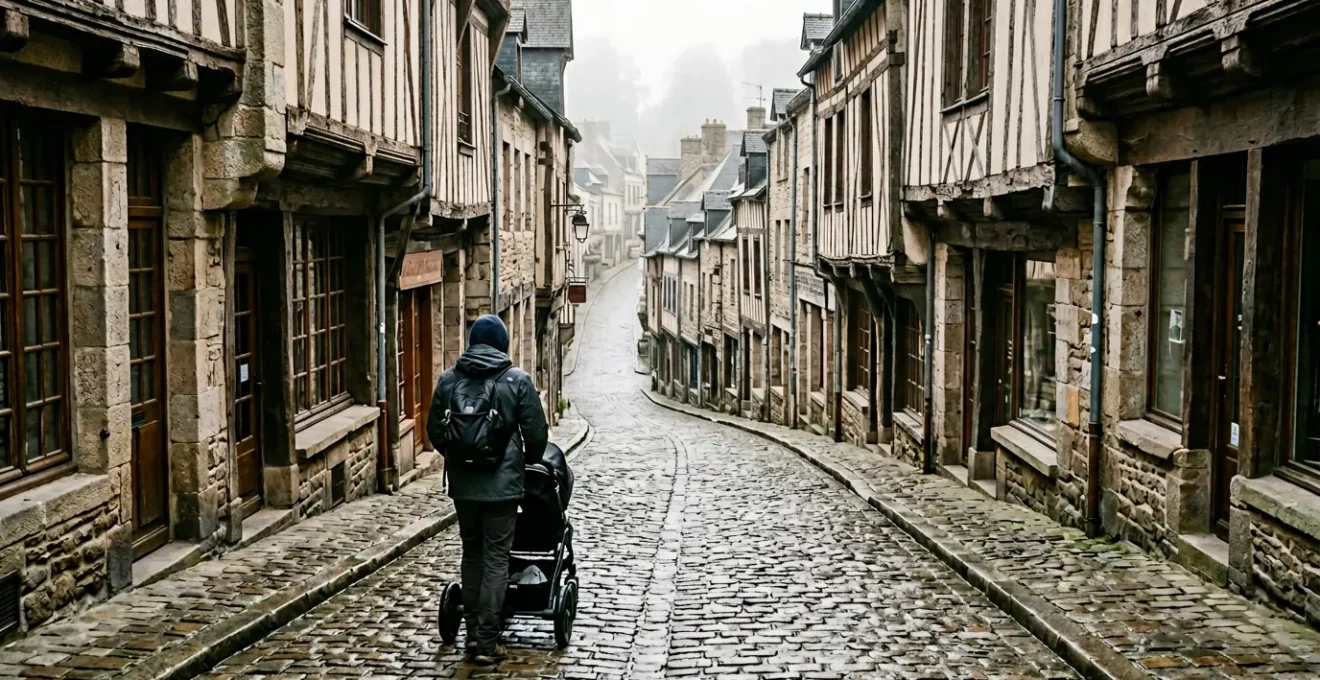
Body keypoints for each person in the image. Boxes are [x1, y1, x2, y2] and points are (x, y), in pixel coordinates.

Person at [428, 315, 548, 665]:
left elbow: (435, 430)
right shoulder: (516, 380)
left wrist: (460, 458)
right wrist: (525, 461)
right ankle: (486, 642)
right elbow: (536, 433)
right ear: (502, 344)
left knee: (472, 554)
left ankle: (470, 635)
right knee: (496, 559)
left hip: (464, 487)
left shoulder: (449, 379)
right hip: (503, 486)